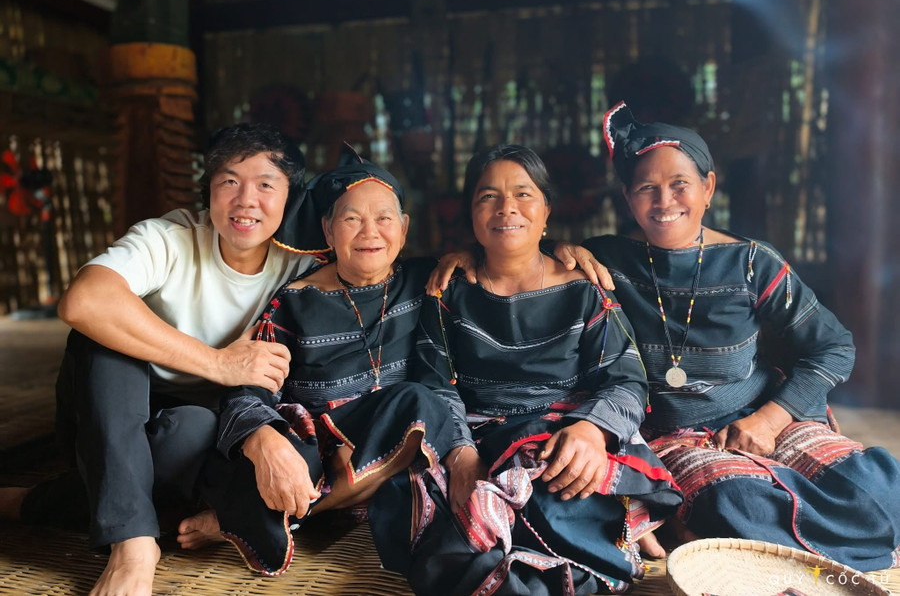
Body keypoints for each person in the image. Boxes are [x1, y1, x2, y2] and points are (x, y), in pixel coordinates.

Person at [0, 123, 325, 596]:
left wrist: (464, 256)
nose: (245, 200)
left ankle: (35, 504)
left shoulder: (302, 264)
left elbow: (382, 270)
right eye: (229, 181)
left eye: (266, 184)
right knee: (105, 338)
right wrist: (217, 363)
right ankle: (133, 542)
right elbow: (82, 302)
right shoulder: (170, 238)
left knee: (195, 428)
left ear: (291, 197)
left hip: (193, 431)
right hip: (105, 414)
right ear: (208, 190)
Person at [574, 101, 900, 571]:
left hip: (767, 416)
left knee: (882, 489)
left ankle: (740, 540)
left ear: (708, 188)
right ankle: (783, 535)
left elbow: (834, 346)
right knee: (735, 504)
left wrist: (769, 422)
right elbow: (523, 260)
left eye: (679, 184)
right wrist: (558, 251)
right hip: (677, 437)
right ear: (628, 198)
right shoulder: (603, 261)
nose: (664, 201)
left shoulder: (752, 264)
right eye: (647, 188)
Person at [372, 144, 682, 596]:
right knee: (420, 506)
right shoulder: (448, 293)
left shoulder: (584, 291)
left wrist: (592, 433)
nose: (506, 209)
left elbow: (625, 378)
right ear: (472, 215)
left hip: (562, 435)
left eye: (523, 194)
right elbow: (433, 384)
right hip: (476, 438)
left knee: (557, 497)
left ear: (546, 211)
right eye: (488, 197)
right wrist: (460, 454)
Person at [182, 149, 456, 576]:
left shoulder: (428, 281)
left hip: (391, 449)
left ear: (403, 229)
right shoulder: (295, 302)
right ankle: (287, 508)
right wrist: (266, 442)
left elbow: (510, 257)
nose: (370, 232)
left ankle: (252, 519)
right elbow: (248, 389)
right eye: (351, 219)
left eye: (384, 218)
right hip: (317, 454)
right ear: (328, 229)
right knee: (408, 417)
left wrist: (562, 249)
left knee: (423, 410)